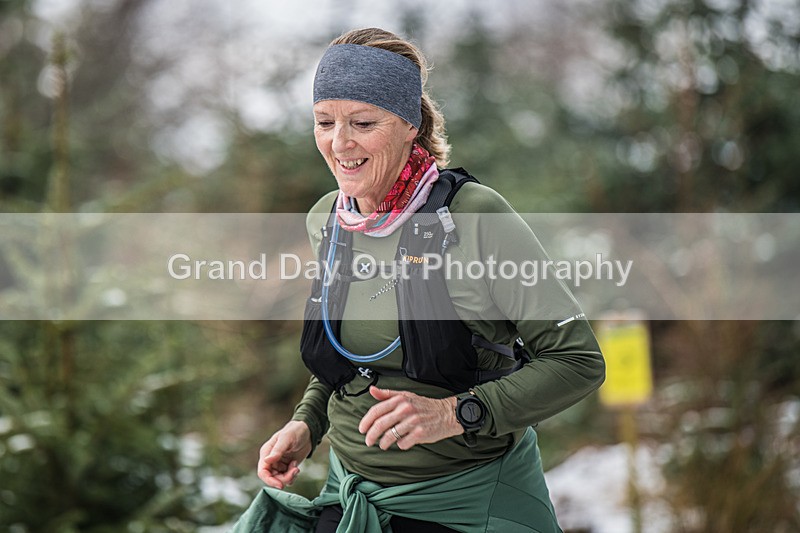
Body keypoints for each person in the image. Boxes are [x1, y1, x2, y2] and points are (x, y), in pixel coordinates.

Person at [232, 27, 605, 533]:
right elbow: (351, 356)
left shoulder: (475, 217)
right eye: (324, 122)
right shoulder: (329, 221)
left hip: (468, 503)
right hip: (351, 497)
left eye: (363, 122)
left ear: (410, 124)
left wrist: (456, 413)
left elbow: (578, 361)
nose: (340, 143)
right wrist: (308, 421)